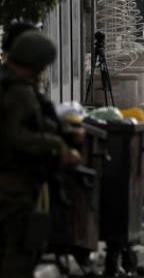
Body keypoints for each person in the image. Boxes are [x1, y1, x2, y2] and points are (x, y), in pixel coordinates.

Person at [0, 31, 83, 278]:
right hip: (13, 186)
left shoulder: (14, 86)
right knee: (18, 252)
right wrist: (57, 146)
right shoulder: (17, 93)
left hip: (18, 183)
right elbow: (17, 137)